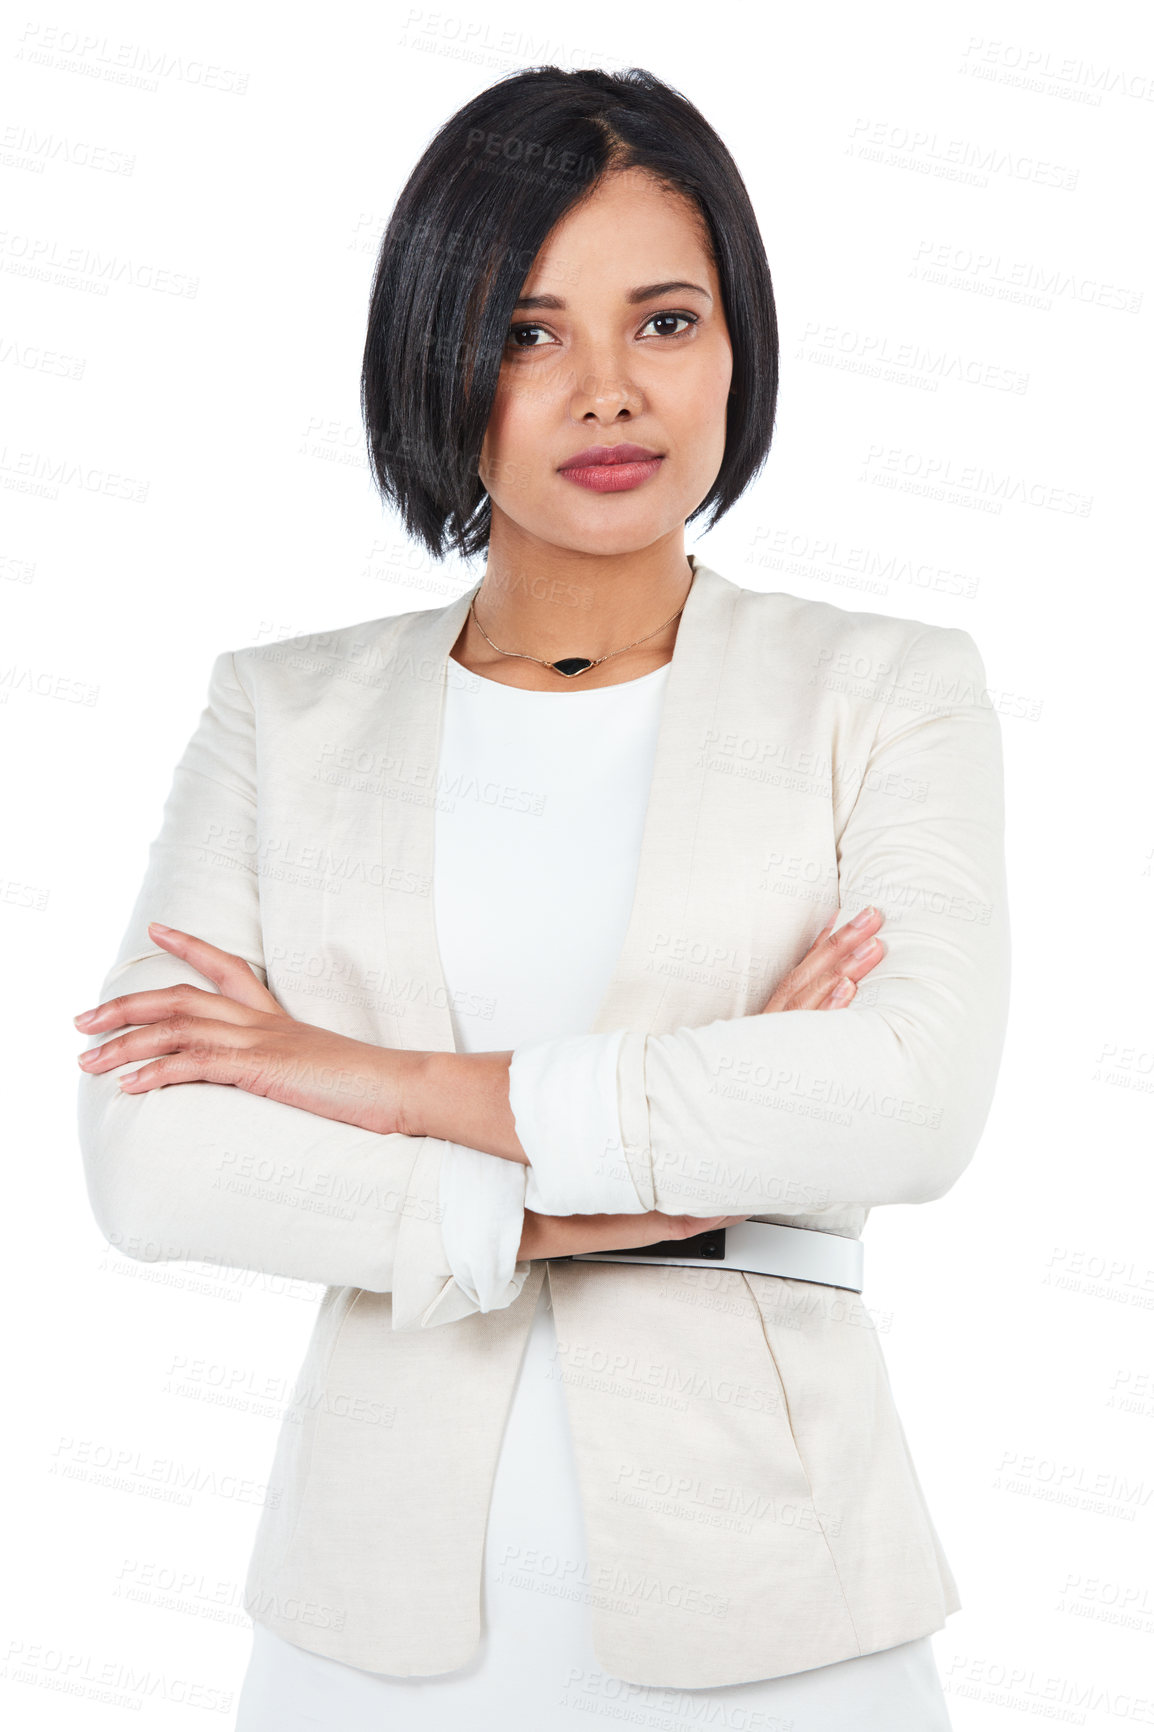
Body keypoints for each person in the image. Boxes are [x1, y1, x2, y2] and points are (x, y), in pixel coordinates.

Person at [75, 65, 1010, 1730]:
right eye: (526, 332)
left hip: (781, 1620)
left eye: (662, 323)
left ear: (738, 346)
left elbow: (901, 1104)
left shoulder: (882, 691)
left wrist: (354, 1079)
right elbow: (159, 1158)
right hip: (368, 1630)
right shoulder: (282, 715)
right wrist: (618, 1195)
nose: (605, 393)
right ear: (435, 356)